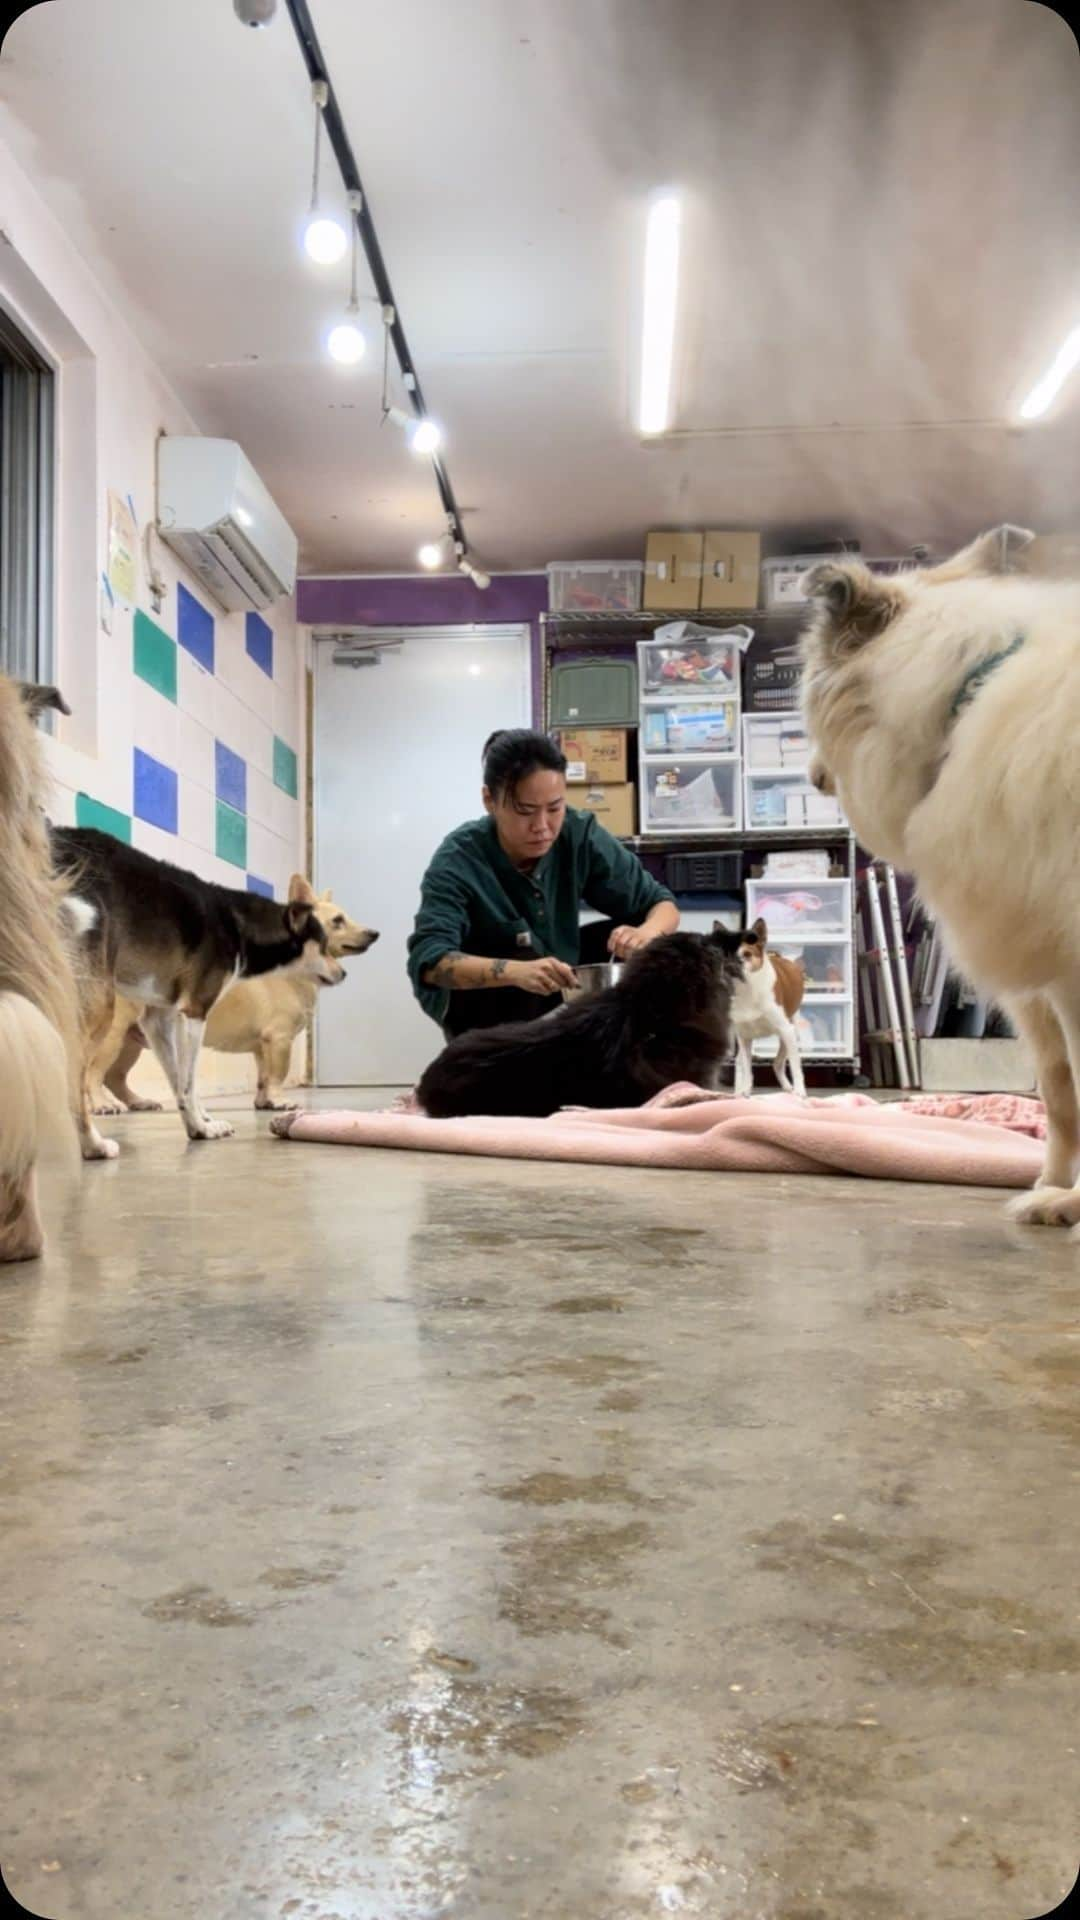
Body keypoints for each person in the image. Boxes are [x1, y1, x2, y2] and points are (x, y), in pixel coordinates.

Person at [407, 728, 679, 1036]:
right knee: (524, 957)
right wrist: (514, 972)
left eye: (554, 808)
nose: (542, 826)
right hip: (483, 1011)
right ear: (489, 800)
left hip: (557, 989)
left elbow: (662, 905)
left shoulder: (578, 833)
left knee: (645, 942)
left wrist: (643, 934)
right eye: (525, 811)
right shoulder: (459, 858)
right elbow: (430, 961)